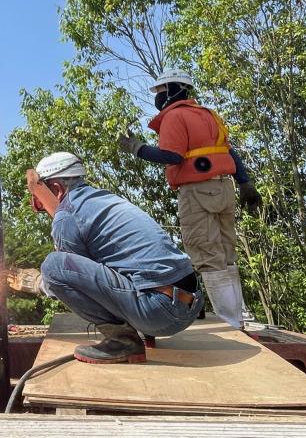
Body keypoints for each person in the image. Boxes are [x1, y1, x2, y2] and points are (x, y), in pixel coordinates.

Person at [11, 151, 203, 365]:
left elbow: (73, 279)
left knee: (53, 266)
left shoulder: (67, 215)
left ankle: (123, 341)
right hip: (191, 304)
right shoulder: (102, 200)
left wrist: (39, 283)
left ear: (56, 189)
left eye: (38, 201)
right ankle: (143, 330)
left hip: (160, 312)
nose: (38, 207)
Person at [118, 69, 261, 329]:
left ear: (173, 90)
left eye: (160, 91)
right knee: (226, 255)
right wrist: (245, 183)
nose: (157, 97)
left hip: (198, 191)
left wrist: (137, 148)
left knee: (207, 256)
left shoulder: (174, 116)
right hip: (224, 188)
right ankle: (240, 317)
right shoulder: (209, 115)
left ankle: (231, 324)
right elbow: (228, 152)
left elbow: (172, 156)